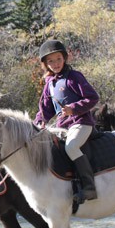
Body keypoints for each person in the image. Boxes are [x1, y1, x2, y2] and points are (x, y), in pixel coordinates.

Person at [33, 40, 100, 202]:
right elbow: (46, 109)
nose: (55, 64)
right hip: (62, 127)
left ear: (64, 58)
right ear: (46, 64)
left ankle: (89, 187)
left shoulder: (74, 77)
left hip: (82, 123)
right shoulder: (49, 83)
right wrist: (38, 122)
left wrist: (73, 108)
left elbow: (93, 97)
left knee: (71, 147)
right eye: (50, 61)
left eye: (58, 59)